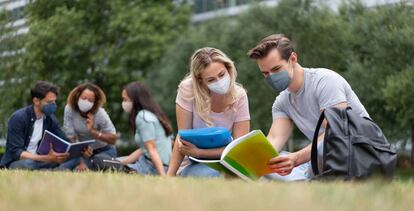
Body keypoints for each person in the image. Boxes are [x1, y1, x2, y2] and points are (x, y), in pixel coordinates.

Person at [247, 34, 369, 181]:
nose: (271, 77)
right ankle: (311, 182)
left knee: (329, 146)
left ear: (293, 59)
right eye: (265, 73)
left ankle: (311, 180)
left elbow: (337, 131)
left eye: (276, 69)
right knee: (272, 164)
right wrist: (251, 161)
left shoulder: (324, 81)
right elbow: (274, 139)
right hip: (320, 160)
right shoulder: (281, 103)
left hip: (360, 152)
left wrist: (297, 158)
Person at [167, 47, 251, 178]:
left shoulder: (240, 96)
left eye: (222, 74)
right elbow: (182, 139)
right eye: (211, 80)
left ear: (228, 69)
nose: (219, 82)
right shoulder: (188, 90)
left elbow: (239, 148)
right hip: (192, 163)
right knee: (215, 176)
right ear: (201, 81)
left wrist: (199, 152)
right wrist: (169, 176)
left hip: (226, 161)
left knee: (239, 175)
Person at [0, 81, 77, 170]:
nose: (53, 105)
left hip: (41, 160)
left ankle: (55, 169)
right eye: (49, 102)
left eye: (54, 101)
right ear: (36, 101)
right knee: (29, 164)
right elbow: (16, 152)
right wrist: (46, 158)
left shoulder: (50, 119)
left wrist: (79, 149)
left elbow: (63, 140)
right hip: (18, 161)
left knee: (75, 159)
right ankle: (55, 170)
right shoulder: (18, 118)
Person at [117, 82, 173, 175]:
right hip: (156, 164)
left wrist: (163, 176)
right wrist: (122, 162)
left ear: (135, 100)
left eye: (125, 99)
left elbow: (152, 149)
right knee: (115, 161)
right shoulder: (153, 114)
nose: (123, 103)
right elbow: (144, 149)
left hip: (150, 167)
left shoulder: (142, 117)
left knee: (100, 162)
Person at [63, 83, 117, 171]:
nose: (86, 102)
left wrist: (92, 131)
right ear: (77, 97)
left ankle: (114, 165)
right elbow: (71, 137)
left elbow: (113, 139)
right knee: (65, 166)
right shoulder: (69, 109)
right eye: (83, 98)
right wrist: (81, 158)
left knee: (97, 162)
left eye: (90, 100)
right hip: (82, 151)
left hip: (103, 150)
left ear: (95, 102)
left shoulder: (100, 113)